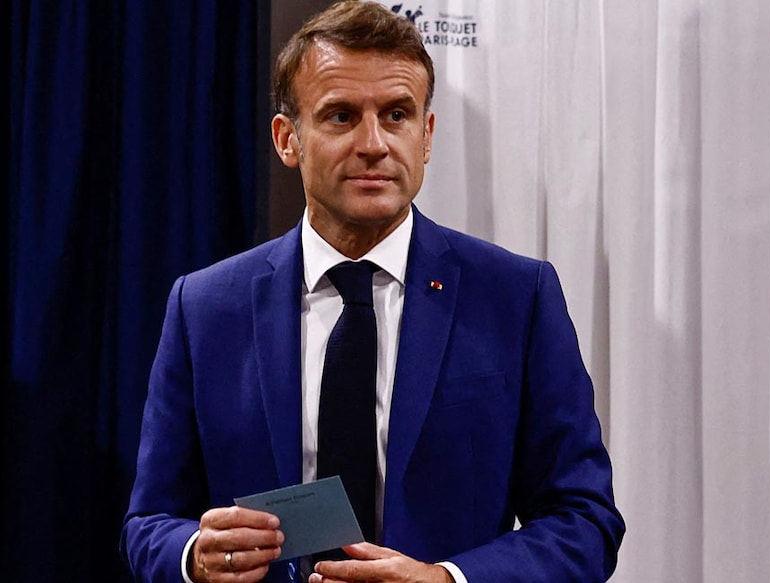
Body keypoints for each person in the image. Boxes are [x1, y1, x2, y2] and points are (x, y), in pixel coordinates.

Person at [120, 2, 624, 582]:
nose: (374, 143)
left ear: (426, 136)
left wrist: (445, 580)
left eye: (396, 114)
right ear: (287, 140)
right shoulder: (205, 308)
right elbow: (150, 522)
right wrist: (195, 554)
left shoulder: (517, 299)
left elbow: (584, 520)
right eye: (340, 116)